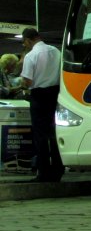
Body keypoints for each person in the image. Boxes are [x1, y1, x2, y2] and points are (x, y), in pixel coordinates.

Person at [20, 28, 64, 182]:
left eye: (24, 42)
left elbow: (27, 81)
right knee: (55, 133)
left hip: (39, 96)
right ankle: (58, 170)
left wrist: (23, 84)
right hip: (56, 95)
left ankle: (44, 172)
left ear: (27, 40)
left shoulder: (31, 56)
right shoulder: (56, 51)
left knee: (41, 135)